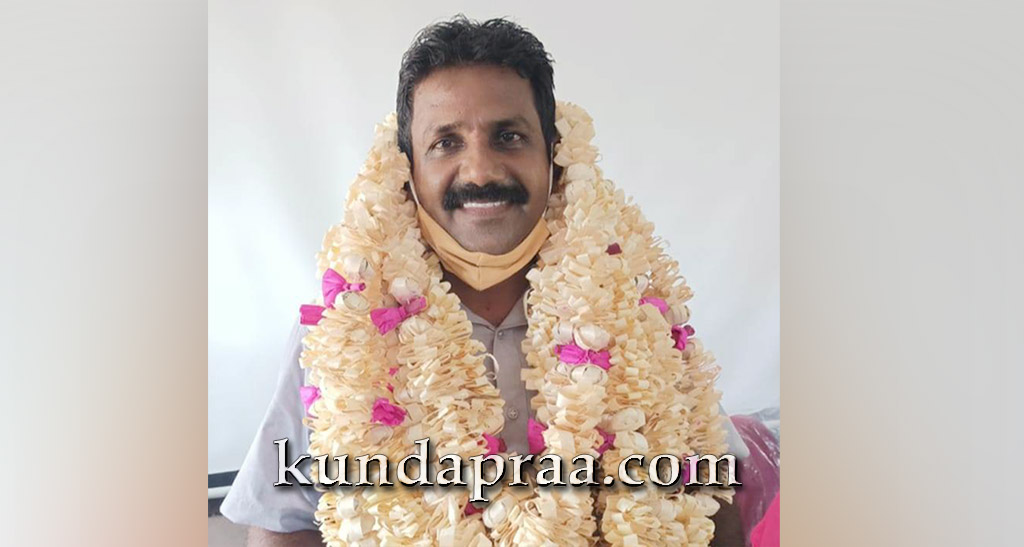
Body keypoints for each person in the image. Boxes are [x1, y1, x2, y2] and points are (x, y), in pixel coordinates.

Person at [221, 15, 750, 546]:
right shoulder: (343, 332)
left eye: (509, 137)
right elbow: (281, 522)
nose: (479, 171)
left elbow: (715, 498)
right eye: (446, 142)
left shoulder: (638, 313)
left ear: (554, 155)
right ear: (407, 168)